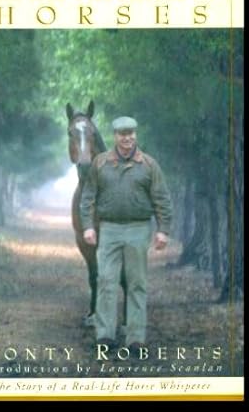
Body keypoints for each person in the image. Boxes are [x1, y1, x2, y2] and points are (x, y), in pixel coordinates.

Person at [79, 116, 172, 354]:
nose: (127, 138)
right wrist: (88, 226)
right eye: (122, 134)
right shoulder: (100, 163)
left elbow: (162, 199)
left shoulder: (149, 164)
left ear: (135, 135)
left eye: (131, 133)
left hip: (139, 229)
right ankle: (105, 336)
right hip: (108, 230)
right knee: (106, 281)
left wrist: (163, 230)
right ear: (115, 137)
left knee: (137, 283)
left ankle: (135, 338)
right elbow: (88, 197)